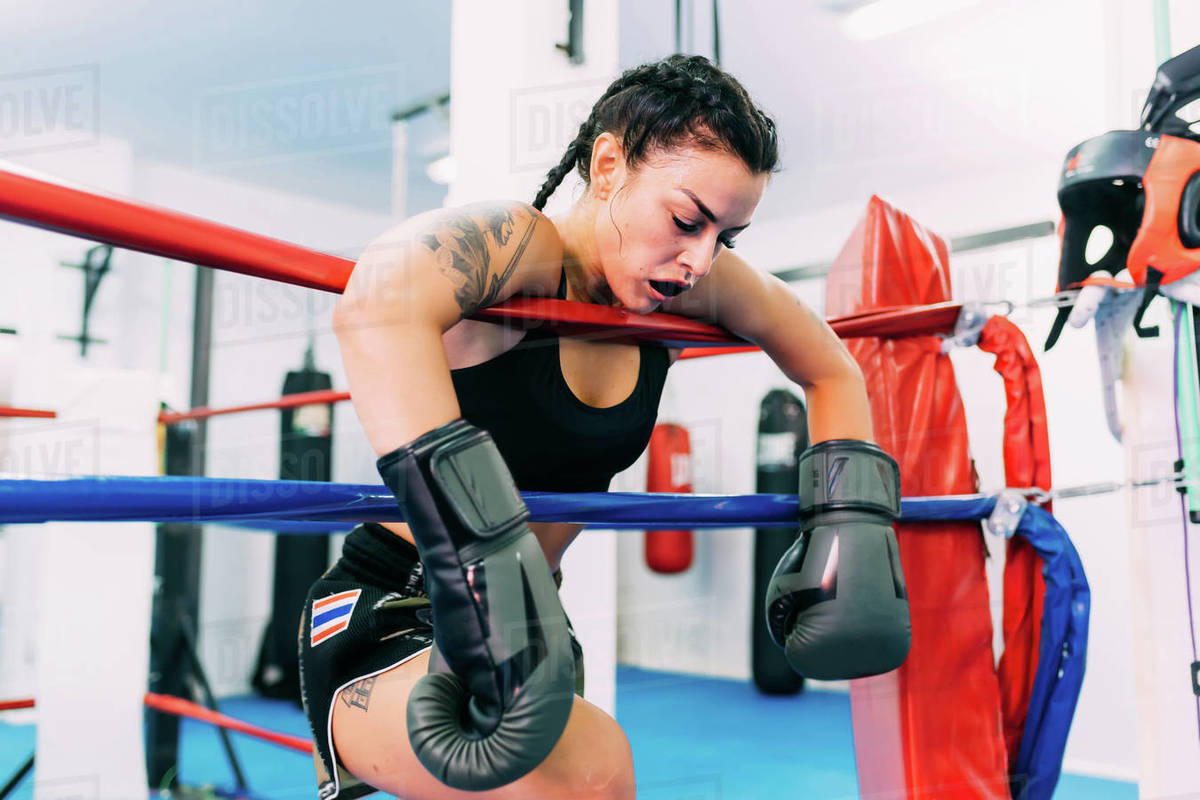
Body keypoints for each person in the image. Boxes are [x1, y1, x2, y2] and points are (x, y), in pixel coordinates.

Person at [298, 54, 907, 800]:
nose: (699, 258)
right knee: (596, 772)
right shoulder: (528, 250)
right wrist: (482, 546)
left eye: (727, 236)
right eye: (686, 219)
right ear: (611, 162)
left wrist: (853, 523)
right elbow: (376, 301)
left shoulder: (689, 284)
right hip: (395, 615)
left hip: (530, 622)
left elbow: (831, 367)